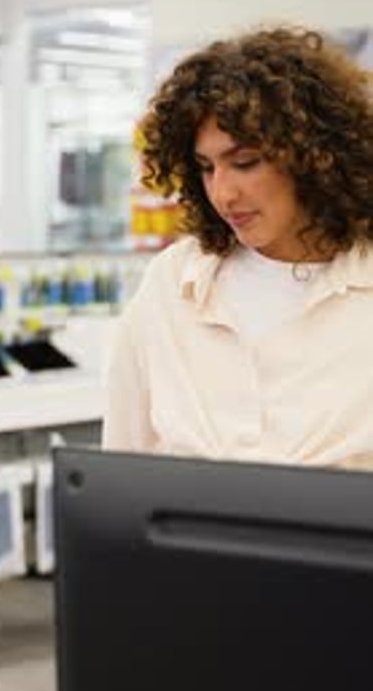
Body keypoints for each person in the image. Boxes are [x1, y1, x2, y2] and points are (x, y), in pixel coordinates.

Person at [103, 26, 373, 470]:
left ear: (314, 157)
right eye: (206, 168)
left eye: (245, 163)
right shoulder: (172, 285)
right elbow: (122, 472)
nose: (223, 194)